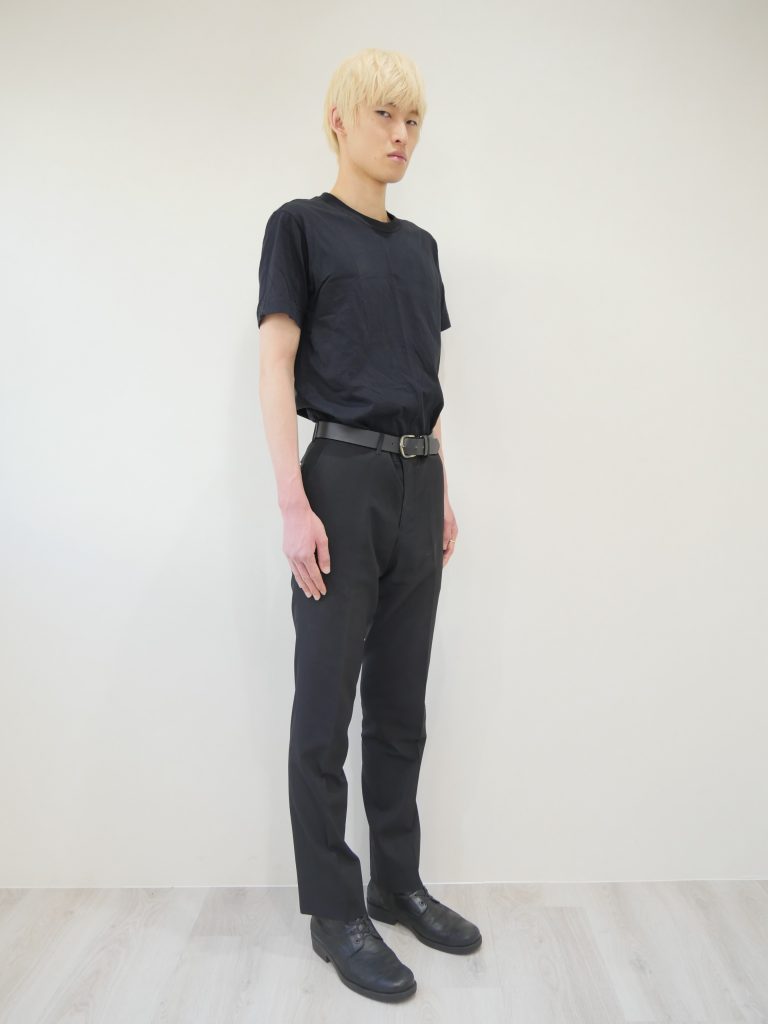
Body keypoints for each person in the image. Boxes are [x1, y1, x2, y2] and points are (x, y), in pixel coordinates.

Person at [257, 47, 481, 1003]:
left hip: (417, 483)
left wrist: (443, 485)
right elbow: (275, 364)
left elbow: (423, 379)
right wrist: (292, 502)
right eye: (384, 115)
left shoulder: (420, 249)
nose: (401, 135)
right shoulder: (299, 227)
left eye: (413, 120)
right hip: (340, 480)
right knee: (324, 710)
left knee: (400, 705)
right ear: (339, 121)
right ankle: (334, 911)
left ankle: (397, 882)